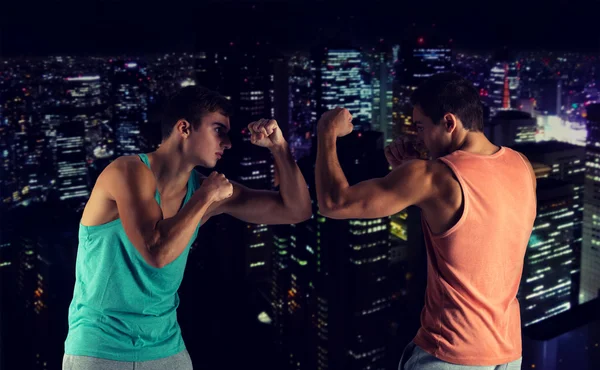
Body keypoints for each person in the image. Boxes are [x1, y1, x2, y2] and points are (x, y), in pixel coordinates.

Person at [63, 86, 312, 370]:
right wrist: (204, 198)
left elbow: (297, 210)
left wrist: (280, 148)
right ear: (184, 128)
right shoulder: (127, 172)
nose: (227, 143)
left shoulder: (204, 190)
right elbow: (156, 253)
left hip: (167, 348)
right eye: (218, 129)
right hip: (99, 349)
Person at [315, 73, 536, 370]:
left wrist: (326, 131)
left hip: (450, 354)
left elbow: (333, 203)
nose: (417, 138)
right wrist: (411, 171)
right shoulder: (522, 166)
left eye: (420, 127)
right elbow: (480, 229)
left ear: (449, 122)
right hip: (508, 355)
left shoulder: (433, 176)